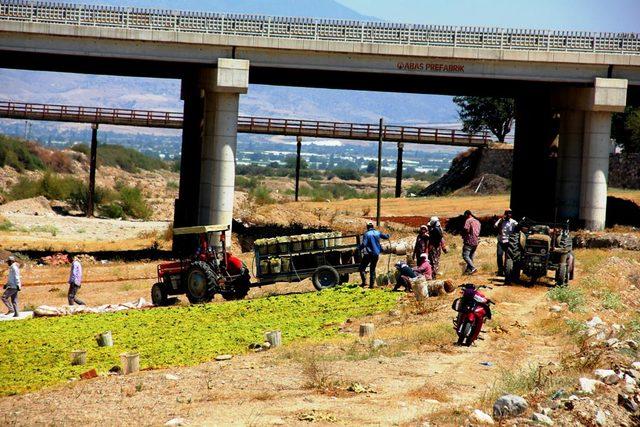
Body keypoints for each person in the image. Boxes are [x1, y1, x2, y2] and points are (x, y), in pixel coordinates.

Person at [359, 222, 390, 289]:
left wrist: (358, 248)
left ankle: (364, 282)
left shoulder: (366, 234)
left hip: (369, 254)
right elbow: (385, 237)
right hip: (376, 254)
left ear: (367, 227)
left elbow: (364, 244)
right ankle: (371, 285)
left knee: (361, 268)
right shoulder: (377, 232)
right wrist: (388, 235)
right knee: (372, 269)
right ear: (373, 226)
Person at [494, 209, 518, 276]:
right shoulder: (501, 220)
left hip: (508, 242)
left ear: (511, 214)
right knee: (499, 255)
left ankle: (506, 270)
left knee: (508, 257)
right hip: (501, 241)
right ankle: (500, 270)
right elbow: (495, 226)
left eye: (510, 213)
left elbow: (518, 226)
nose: (508, 215)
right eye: (507, 213)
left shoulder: (513, 222)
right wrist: (501, 221)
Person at [461, 210, 481, 275]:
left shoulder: (468, 220)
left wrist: (463, 235)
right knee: (471, 256)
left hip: (469, 240)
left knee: (465, 255)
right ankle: (468, 271)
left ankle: (473, 268)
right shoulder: (477, 221)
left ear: (467, 214)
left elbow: (466, 229)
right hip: (476, 241)